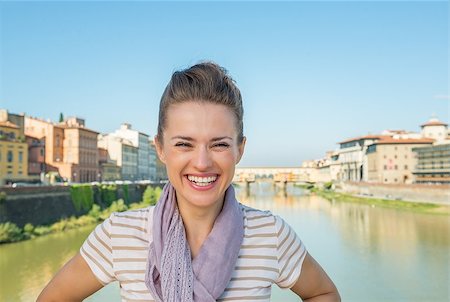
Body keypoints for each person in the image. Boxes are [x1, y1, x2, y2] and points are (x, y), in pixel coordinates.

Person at [37, 62, 340, 302]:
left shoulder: (270, 235)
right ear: (160, 149)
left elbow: (323, 293)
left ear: (240, 150)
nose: (202, 162)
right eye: (184, 144)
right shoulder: (119, 234)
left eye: (219, 144)